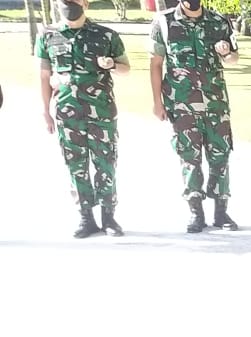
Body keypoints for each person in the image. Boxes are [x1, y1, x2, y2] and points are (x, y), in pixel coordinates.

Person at [36, 0, 129, 239]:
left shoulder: (105, 35)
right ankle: (86, 217)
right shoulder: (48, 36)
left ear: (85, 3)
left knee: (105, 164)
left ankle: (109, 217)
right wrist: (45, 111)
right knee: (75, 166)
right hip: (68, 113)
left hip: (102, 112)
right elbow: (44, 75)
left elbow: (125, 68)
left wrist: (112, 65)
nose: (68, 4)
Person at [150, 0, 240, 234]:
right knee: (189, 158)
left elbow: (233, 59)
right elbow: (156, 63)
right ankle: (195, 211)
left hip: (215, 105)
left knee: (220, 156)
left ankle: (221, 212)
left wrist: (227, 52)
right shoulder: (164, 22)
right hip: (182, 105)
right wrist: (157, 102)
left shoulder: (219, 22)